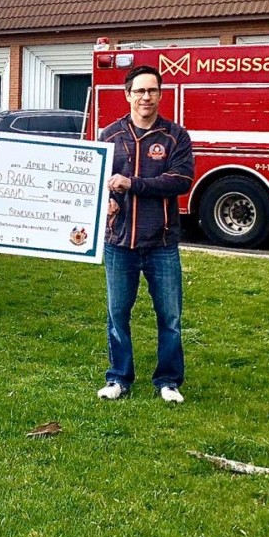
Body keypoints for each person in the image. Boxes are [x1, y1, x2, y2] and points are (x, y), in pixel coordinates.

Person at [96, 65, 195, 403]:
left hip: (162, 243)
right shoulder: (109, 136)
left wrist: (132, 184)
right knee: (117, 314)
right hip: (119, 243)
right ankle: (119, 378)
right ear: (127, 95)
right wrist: (106, 200)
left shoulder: (176, 136)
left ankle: (168, 381)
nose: (145, 97)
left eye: (152, 90)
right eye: (139, 91)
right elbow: (94, 183)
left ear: (160, 94)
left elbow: (180, 181)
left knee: (170, 316)